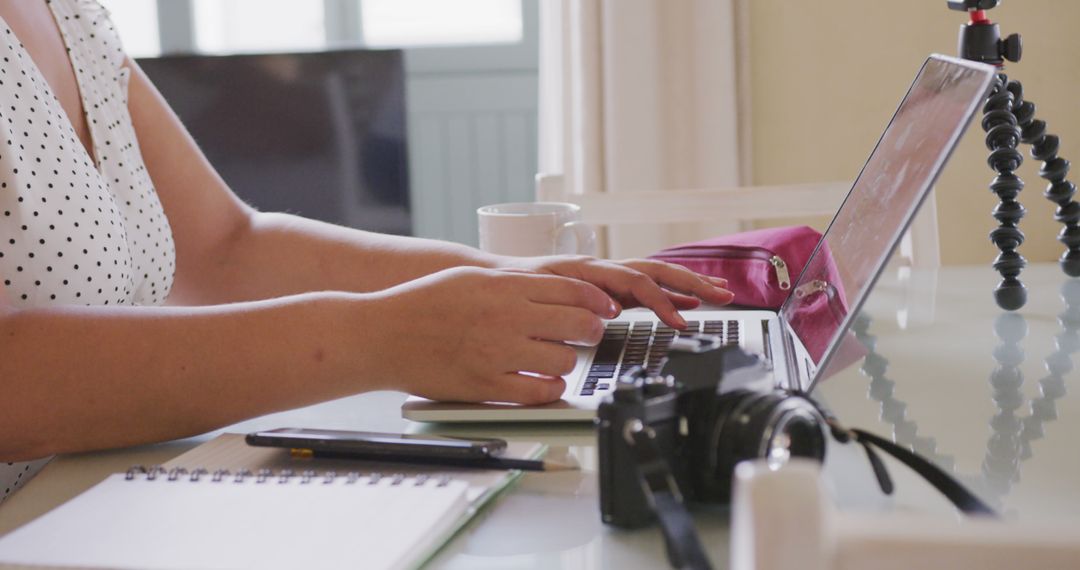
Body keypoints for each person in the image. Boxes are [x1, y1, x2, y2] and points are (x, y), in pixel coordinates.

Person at [0, 0, 733, 501]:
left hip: (102, 510)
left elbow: (226, 247)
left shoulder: (71, 12)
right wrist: (379, 335)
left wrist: (518, 281)